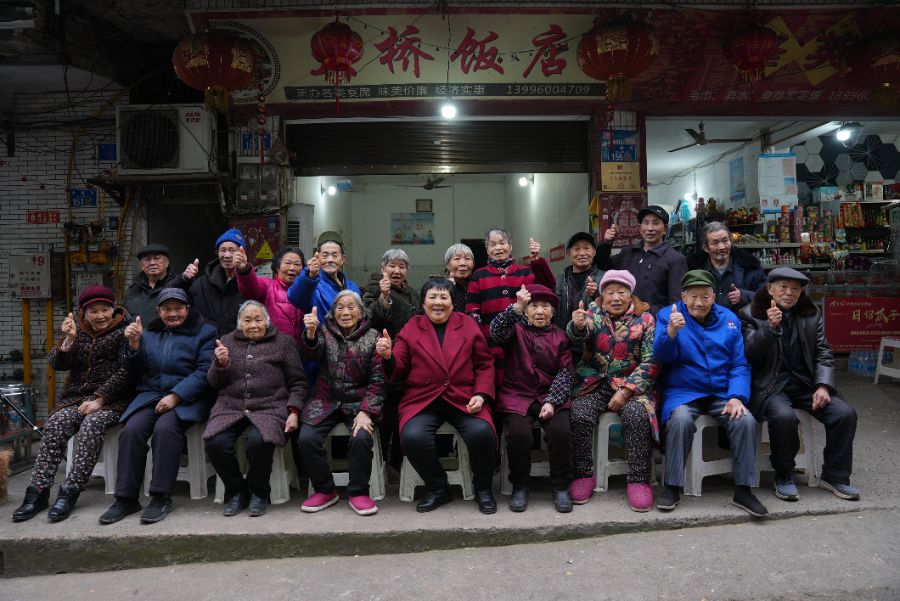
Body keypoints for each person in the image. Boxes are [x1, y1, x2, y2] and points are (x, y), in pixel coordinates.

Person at [377, 278, 498, 514]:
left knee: (483, 433)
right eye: (432, 297)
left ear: (453, 303)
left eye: (444, 297)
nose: (438, 302)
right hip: (423, 398)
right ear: (423, 303)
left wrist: (481, 395)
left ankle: (483, 488)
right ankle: (438, 488)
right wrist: (389, 356)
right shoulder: (412, 327)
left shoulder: (467, 324)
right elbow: (399, 367)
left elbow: (485, 364)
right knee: (413, 437)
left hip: (463, 397)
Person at [12, 286, 132, 523]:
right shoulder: (78, 330)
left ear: (113, 309)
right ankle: (38, 491)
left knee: (91, 424)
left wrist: (100, 398)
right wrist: (68, 340)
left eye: (105, 309)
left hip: (112, 400)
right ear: (84, 313)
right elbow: (57, 364)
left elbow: (128, 372)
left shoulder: (125, 332)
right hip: (76, 398)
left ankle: (70, 490)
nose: (100, 316)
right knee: (56, 423)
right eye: (93, 311)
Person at [653, 270, 767, 517]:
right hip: (683, 390)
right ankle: (672, 486)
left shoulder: (729, 319)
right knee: (680, 420)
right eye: (693, 296)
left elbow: (739, 364)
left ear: (714, 297)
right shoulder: (669, 315)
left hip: (722, 391)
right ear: (683, 296)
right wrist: (670, 332)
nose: (699, 302)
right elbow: (661, 357)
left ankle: (744, 489)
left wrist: (736, 396)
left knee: (745, 420)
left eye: (705, 296)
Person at [99, 287, 217, 525]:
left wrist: (176, 396)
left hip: (189, 398)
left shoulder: (206, 332)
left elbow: (205, 371)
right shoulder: (149, 332)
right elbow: (134, 371)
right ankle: (126, 498)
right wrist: (134, 345)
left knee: (165, 430)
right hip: (151, 395)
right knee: (132, 431)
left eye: (178, 308)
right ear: (158, 311)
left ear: (188, 309)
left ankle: (161, 496)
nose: (173, 313)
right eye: (167, 309)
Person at [740, 268, 859, 501]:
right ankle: (784, 474)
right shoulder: (750, 314)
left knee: (844, 414)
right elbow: (749, 353)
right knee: (784, 417)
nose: (789, 293)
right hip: (770, 385)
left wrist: (823, 385)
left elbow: (823, 352)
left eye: (795, 289)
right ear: (770, 289)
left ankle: (835, 476)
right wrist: (769, 328)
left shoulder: (810, 313)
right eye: (783, 287)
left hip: (805, 384)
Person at [204, 301, 308, 517]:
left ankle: (259, 492)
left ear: (267, 321)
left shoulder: (283, 342)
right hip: (230, 405)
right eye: (247, 320)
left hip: (270, 406)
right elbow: (213, 382)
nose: (253, 325)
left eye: (258, 319)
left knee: (258, 442)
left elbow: (299, 383)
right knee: (215, 443)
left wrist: (294, 411)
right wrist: (221, 364)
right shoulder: (227, 341)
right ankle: (236, 491)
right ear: (239, 323)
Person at [566, 270, 659, 511]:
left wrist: (626, 391)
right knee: (579, 413)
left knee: (637, 416)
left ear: (630, 294)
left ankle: (638, 480)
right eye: (609, 292)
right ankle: (583, 474)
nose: (615, 298)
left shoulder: (645, 319)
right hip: (593, 382)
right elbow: (579, 334)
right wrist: (577, 326)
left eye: (621, 292)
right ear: (602, 295)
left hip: (631, 385)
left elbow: (651, 361)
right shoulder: (593, 312)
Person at [297, 291, 384, 516]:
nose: (345, 312)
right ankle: (325, 490)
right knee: (306, 439)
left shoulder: (373, 337)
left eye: (351, 307)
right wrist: (310, 334)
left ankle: (358, 492)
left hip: (358, 402)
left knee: (361, 437)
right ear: (333, 312)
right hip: (325, 399)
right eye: (340, 308)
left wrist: (367, 411)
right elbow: (310, 353)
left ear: (361, 312)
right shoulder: (324, 332)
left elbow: (378, 380)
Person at [490, 284, 574, 513]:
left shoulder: (560, 337)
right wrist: (515, 308)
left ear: (552, 312)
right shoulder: (515, 330)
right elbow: (495, 331)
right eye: (534, 306)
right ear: (526, 310)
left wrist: (552, 401)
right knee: (519, 434)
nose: (539, 311)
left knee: (561, 432)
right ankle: (520, 486)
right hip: (517, 395)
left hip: (551, 395)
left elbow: (566, 372)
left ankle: (560, 487)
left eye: (545, 306)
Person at [466, 228, 555, 382]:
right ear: (487, 250)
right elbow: (473, 312)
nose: (498, 248)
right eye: (492, 244)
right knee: (494, 384)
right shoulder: (478, 276)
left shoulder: (526, 272)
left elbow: (549, 288)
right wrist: (481, 343)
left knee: (522, 384)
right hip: (490, 345)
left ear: (511, 246)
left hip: (524, 343)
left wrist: (536, 259)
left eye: (502, 243)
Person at [362, 248, 419, 472]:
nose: (397, 270)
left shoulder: (412, 293)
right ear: (382, 268)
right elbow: (367, 318)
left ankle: (398, 462)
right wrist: (384, 298)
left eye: (401, 266)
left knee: (404, 413)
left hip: (410, 361)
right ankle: (383, 464)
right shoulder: (374, 288)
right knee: (386, 415)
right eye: (392, 265)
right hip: (384, 358)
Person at [595, 205, 688, 315]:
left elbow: (676, 302)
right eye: (646, 223)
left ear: (665, 229)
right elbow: (602, 264)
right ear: (640, 228)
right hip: (625, 321)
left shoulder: (675, 260)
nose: (650, 228)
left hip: (656, 321)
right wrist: (606, 243)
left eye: (655, 223)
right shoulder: (628, 253)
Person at [687, 221, 766, 315]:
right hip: (706, 323)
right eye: (715, 243)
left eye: (725, 241)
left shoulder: (750, 268)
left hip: (741, 322)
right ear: (705, 248)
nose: (722, 247)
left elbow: (767, 298)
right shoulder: (694, 271)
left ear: (731, 241)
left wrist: (745, 296)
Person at [181, 227, 247, 336]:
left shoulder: (251, 285)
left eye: (232, 250)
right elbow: (174, 300)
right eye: (223, 250)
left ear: (242, 253)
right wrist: (184, 280)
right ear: (217, 253)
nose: (227, 255)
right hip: (208, 343)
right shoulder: (201, 284)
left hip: (241, 343)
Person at [234, 245, 306, 342]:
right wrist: (244, 270)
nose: (292, 268)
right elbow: (251, 288)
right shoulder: (267, 285)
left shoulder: (307, 290)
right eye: (287, 263)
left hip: (300, 347)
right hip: (273, 346)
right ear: (277, 267)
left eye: (297, 264)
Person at [554, 232, 602, 361]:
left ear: (594, 252)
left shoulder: (604, 279)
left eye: (586, 248)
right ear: (568, 253)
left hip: (594, 349)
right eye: (576, 249)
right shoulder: (558, 281)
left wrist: (597, 295)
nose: (582, 253)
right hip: (564, 348)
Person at [287, 236, 361, 320]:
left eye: (334, 256)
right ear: (318, 258)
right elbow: (293, 297)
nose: (330, 260)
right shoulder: (312, 284)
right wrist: (310, 274)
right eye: (325, 256)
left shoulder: (352, 287)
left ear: (343, 259)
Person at [124, 244, 188, 324]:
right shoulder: (133, 289)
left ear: (167, 262)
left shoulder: (179, 285)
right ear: (141, 265)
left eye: (157, 258)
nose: (152, 263)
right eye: (147, 259)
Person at [442, 243, 476, 313]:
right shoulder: (438, 287)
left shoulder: (478, 284)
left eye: (467, 258)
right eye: (457, 259)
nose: (463, 263)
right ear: (448, 265)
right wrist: (448, 290)